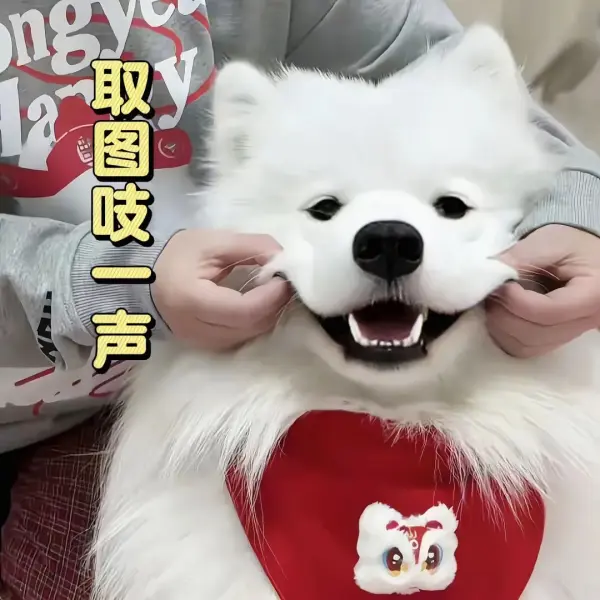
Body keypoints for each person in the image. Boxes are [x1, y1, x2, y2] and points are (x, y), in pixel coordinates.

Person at [0, 0, 598, 598]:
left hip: (125, 365)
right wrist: (118, 279)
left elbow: (476, 94)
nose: (388, 239)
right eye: (324, 209)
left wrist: (576, 219)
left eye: (451, 205)